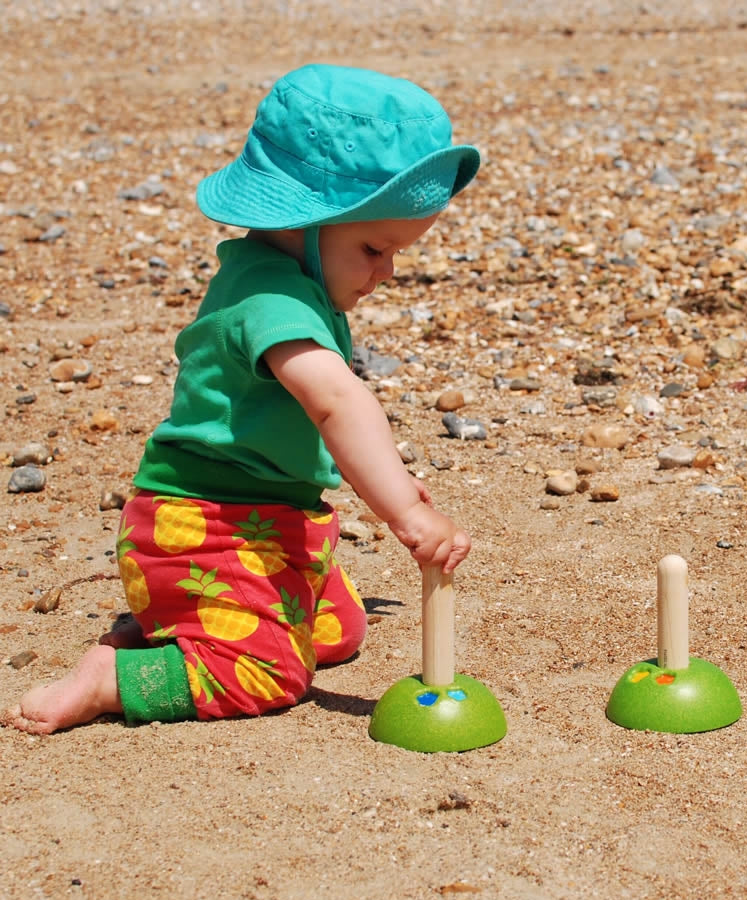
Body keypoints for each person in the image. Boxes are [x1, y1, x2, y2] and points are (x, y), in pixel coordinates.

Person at [5, 63, 478, 734]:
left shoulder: (288, 278)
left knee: (339, 632)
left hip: (270, 520)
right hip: (201, 527)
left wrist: (393, 478)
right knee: (271, 672)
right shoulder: (270, 299)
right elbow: (337, 403)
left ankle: (184, 619)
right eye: (375, 247)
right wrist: (402, 508)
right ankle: (114, 676)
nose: (387, 271)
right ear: (308, 222)